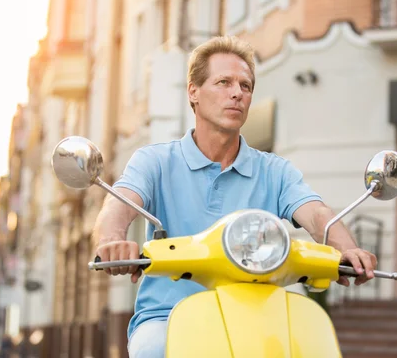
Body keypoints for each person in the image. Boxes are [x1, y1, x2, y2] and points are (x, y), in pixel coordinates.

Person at [93, 36, 378, 358]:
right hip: (169, 316)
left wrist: (348, 249)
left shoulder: (274, 170)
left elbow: (316, 214)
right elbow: (119, 203)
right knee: (153, 350)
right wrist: (112, 240)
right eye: (224, 82)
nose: (237, 93)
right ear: (193, 92)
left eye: (246, 85)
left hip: (259, 318)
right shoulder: (155, 161)